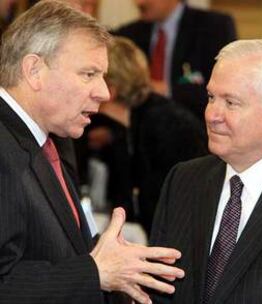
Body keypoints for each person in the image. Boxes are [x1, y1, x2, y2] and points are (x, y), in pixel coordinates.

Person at [0, 1, 184, 304]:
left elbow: (65, 252)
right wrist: (96, 272)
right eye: (88, 74)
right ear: (34, 71)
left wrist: (115, 265)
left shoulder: (52, 141)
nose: (104, 92)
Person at [149, 39, 262, 303]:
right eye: (212, 97)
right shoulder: (185, 180)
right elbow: (158, 290)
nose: (212, 114)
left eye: (231, 103)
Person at [77, 36, 207, 233]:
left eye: (89, 77)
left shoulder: (171, 126)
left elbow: (176, 207)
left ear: (110, 89)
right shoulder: (123, 127)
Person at [113, 0, 237, 121]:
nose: (138, 3)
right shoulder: (129, 33)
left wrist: (167, 90)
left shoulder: (215, 27)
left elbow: (226, 90)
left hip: (196, 132)